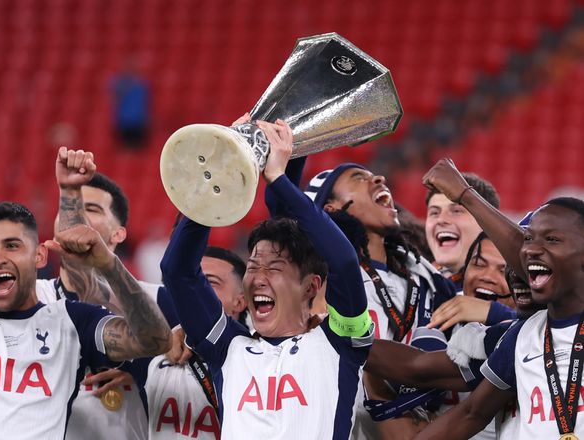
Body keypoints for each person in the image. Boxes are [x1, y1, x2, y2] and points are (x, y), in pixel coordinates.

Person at [160, 119, 373, 439]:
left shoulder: (341, 342)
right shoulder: (228, 347)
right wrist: (219, 176)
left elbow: (343, 262)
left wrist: (277, 178)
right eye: (253, 266)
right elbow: (177, 271)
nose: (258, 278)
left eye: (274, 268)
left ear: (311, 286)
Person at [0, 201, 171, 438]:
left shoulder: (73, 322)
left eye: (12, 246)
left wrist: (108, 265)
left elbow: (155, 340)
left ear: (40, 256)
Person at [417, 158, 584, 438]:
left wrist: (465, 194)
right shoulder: (524, 334)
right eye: (529, 239)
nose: (531, 250)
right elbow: (471, 414)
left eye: (552, 240)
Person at [302, 161, 456, 438]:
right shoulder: (320, 277)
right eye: (358, 178)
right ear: (330, 208)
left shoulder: (424, 274)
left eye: (374, 175)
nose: (379, 179)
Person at [37, 147, 175, 440]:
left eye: (92, 209)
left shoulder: (158, 301)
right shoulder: (32, 299)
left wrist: (142, 366)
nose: (77, 217)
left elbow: (218, 346)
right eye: (71, 207)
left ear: (118, 234)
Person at [128, 246, 248, 439]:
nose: (196, 291)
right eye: (191, 282)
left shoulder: (257, 358)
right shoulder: (156, 353)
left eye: (209, 282)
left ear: (240, 302)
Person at [424, 172, 499, 283]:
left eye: (456, 211)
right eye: (434, 213)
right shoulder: (416, 283)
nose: (441, 220)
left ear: (487, 222)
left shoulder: (510, 286)